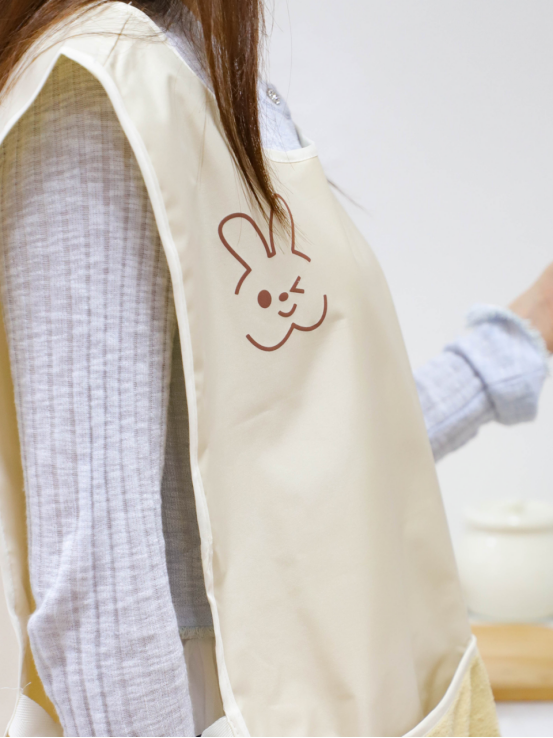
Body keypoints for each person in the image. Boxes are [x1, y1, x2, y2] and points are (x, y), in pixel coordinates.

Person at [0, 1, 550, 736]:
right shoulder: (100, 87)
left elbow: (315, 460)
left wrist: (518, 341)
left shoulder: (197, 73)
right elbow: (100, 594)